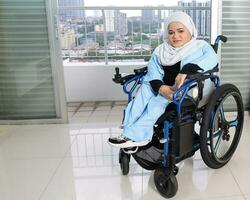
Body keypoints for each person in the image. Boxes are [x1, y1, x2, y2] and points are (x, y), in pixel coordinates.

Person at [108, 11, 218, 148]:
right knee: (140, 98)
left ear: (190, 31)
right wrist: (160, 87)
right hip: (161, 86)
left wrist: (185, 71)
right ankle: (127, 133)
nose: (175, 36)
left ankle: (139, 136)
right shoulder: (161, 50)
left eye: (180, 31)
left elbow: (212, 60)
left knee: (154, 104)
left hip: (184, 88)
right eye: (171, 32)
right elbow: (153, 70)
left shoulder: (200, 46)